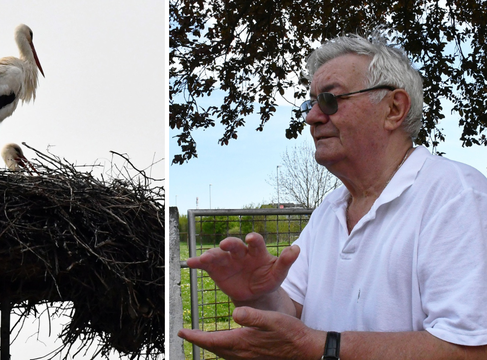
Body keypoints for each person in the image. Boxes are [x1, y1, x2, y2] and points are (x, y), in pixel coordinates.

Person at [178, 32, 487, 359]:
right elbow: (293, 312)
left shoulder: (457, 197)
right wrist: (260, 294)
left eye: (330, 100)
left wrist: (320, 348)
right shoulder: (330, 209)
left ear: (394, 109)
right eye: (310, 103)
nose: (311, 117)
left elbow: (473, 350)